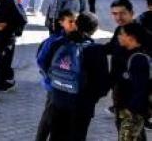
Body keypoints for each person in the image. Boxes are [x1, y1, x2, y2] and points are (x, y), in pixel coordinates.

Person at [35, 12, 110, 141]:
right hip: (82, 105)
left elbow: (45, 65)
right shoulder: (96, 50)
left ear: (76, 24)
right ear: (94, 30)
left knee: (56, 136)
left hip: (57, 99)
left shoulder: (58, 43)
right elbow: (102, 86)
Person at [113, 22, 150, 140]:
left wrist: (130, 111)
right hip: (128, 110)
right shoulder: (128, 53)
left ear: (131, 37)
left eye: (122, 34)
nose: (119, 36)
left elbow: (141, 89)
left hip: (132, 113)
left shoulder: (138, 59)